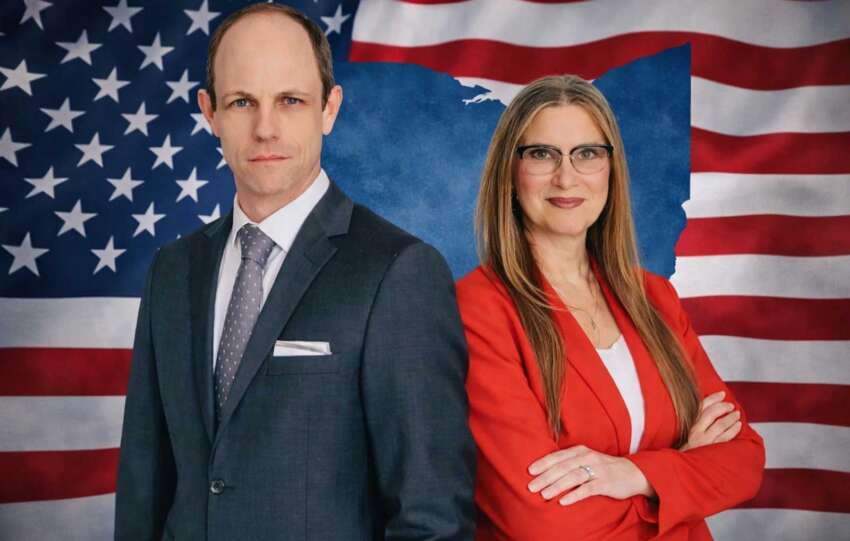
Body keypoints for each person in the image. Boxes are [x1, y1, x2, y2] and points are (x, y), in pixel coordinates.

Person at [115, 4, 475, 540]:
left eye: (290, 100)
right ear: (209, 112)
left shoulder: (398, 271)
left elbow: (432, 517)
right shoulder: (173, 269)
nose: (266, 128)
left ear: (329, 108)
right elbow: (145, 486)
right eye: (242, 102)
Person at [456, 75, 764, 540]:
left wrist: (633, 476)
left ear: (610, 168)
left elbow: (743, 459)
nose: (567, 176)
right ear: (510, 170)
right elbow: (541, 522)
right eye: (542, 154)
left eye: (587, 153)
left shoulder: (654, 299)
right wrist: (678, 480)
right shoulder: (476, 310)